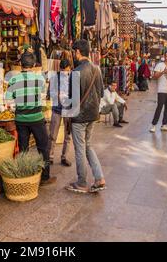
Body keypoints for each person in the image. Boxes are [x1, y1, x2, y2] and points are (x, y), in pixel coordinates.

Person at [6, 50, 56, 185]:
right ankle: (45, 177)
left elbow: (9, 101)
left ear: (21, 65)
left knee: (23, 148)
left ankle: (24, 176)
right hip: (36, 118)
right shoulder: (39, 79)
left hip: (21, 119)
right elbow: (42, 96)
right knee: (43, 147)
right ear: (33, 64)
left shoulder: (13, 79)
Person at [66, 39, 106, 194]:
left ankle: (82, 182)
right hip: (93, 114)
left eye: (73, 52)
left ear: (77, 52)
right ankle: (99, 178)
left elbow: (72, 99)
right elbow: (101, 93)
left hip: (80, 117)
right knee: (88, 146)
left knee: (80, 149)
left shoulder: (76, 72)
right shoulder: (97, 69)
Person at [48, 59, 72, 167]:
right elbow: (49, 94)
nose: (64, 73)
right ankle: (50, 156)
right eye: (63, 71)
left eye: (66, 71)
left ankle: (64, 157)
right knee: (53, 135)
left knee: (68, 135)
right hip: (57, 109)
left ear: (69, 69)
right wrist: (55, 94)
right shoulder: (54, 78)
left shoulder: (72, 78)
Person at [150, 51, 167, 133]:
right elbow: (154, 77)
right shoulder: (160, 65)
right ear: (164, 57)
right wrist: (162, 72)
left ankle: (164, 125)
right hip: (162, 90)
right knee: (159, 107)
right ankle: (154, 125)